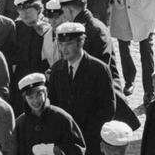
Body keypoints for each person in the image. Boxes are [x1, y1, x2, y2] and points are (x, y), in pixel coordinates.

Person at [47, 21, 119, 155]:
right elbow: (53, 103)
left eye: (69, 44)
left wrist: (90, 132)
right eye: (61, 44)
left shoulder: (99, 69)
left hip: (90, 141)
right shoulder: (57, 69)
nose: (64, 49)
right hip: (66, 140)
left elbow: (108, 108)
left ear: (81, 43)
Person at [13, 71, 85, 155]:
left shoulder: (62, 118)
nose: (35, 100)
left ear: (45, 92)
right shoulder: (20, 124)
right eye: (30, 97)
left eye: (39, 94)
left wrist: (55, 150)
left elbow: (79, 149)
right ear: (25, 98)